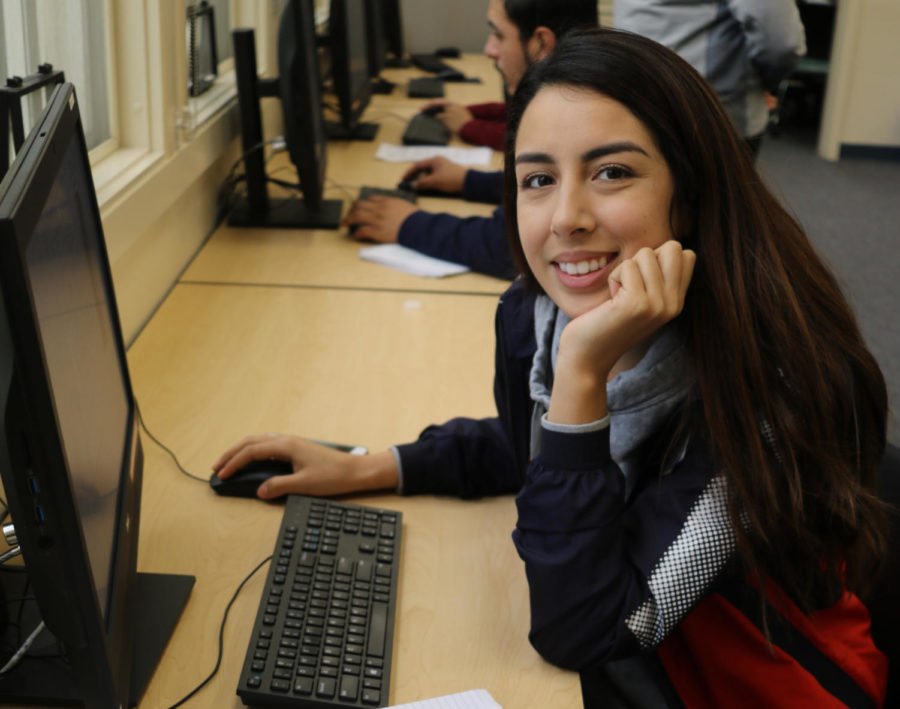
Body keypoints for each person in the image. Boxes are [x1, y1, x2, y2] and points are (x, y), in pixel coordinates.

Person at [215, 28, 891, 706]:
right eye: (538, 179)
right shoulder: (533, 318)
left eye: (612, 172)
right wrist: (374, 463)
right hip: (652, 651)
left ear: (687, 193)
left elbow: (586, 626)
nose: (566, 217)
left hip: (750, 680)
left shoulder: (764, 399)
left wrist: (581, 373)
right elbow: (535, 453)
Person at [342, 0, 598, 279]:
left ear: (540, 44)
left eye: (498, 35)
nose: (489, 50)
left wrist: (409, 225)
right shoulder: (582, 93)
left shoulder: (573, 122)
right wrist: (469, 181)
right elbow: (543, 186)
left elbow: (510, 246)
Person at [614, 0, 805, 157]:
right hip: (715, 116)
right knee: (721, 202)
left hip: (636, 104)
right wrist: (769, 84)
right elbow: (782, 43)